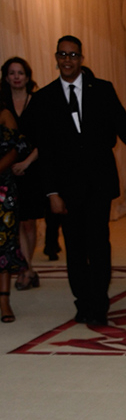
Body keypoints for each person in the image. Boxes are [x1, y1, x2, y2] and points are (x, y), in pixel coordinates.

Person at [22, 35, 126, 326]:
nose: (68, 60)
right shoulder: (45, 98)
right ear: (56, 58)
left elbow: (124, 129)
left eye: (73, 55)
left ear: (81, 58)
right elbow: (47, 151)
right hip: (65, 190)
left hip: (99, 184)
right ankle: (83, 302)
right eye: (63, 55)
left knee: (99, 245)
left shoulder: (102, 90)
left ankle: (100, 305)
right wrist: (52, 192)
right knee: (75, 248)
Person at [0, 57, 43, 289]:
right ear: (6, 77)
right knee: (13, 224)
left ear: (27, 76)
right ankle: (26, 269)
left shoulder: (36, 102)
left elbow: (43, 139)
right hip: (7, 173)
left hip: (31, 168)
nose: (16, 77)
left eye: (20, 73)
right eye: (12, 73)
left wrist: (26, 163)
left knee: (28, 222)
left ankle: (28, 267)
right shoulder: (3, 104)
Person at [0, 98, 29, 322]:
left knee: (3, 243)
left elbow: (19, 146)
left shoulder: (4, 114)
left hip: (1, 185)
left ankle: (4, 301)